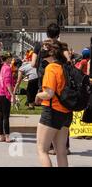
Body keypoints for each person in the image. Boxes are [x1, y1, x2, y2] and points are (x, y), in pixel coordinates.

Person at [36, 39, 72, 167]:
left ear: (51, 52)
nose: (42, 51)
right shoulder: (65, 67)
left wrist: (37, 95)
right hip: (66, 112)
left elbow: (49, 94)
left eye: (45, 49)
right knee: (61, 151)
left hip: (52, 111)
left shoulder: (51, 68)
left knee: (42, 150)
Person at [0, 52, 16, 143]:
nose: (11, 59)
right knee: (6, 116)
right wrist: (12, 95)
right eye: (10, 58)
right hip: (5, 95)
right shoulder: (7, 68)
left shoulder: (0, 68)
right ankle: (7, 137)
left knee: (1, 116)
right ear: (6, 59)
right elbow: (7, 83)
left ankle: (1, 136)